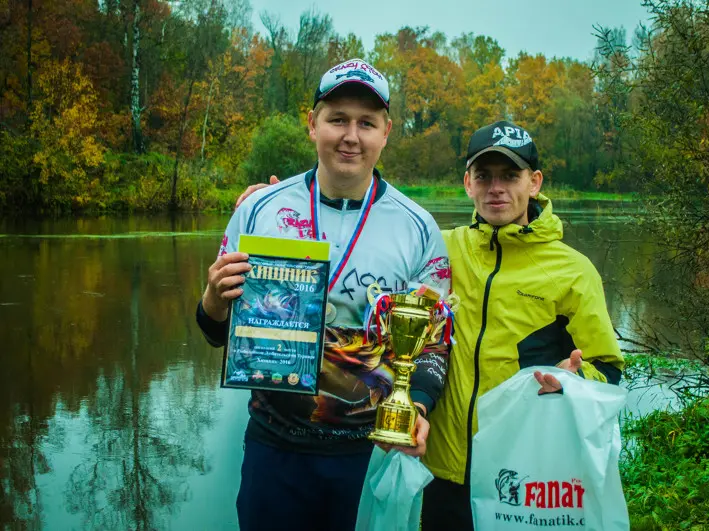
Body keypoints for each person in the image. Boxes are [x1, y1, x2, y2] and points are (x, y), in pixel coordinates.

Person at [237, 120, 625, 530]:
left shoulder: (573, 271)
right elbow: (363, 244)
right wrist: (280, 205)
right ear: (467, 183)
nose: (496, 188)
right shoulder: (440, 246)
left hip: (521, 475)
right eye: (484, 176)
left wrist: (574, 380)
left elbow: (609, 370)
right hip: (440, 470)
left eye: (510, 176)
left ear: (535, 182)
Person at [196, 58, 451, 531]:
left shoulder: (418, 228)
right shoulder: (259, 211)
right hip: (275, 450)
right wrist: (213, 299)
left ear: (386, 132)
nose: (350, 136)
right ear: (313, 125)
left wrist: (415, 406)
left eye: (366, 123)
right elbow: (215, 329)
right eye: (337, 119)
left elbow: (434, 341)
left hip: (371, 451)